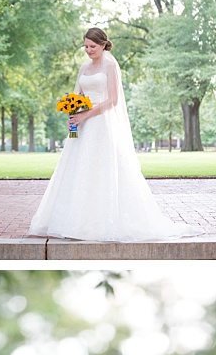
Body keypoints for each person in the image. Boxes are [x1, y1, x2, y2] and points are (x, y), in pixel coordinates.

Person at [28, 28, 191, 242]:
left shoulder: (111, 65)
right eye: (85, 46)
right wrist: (74, 113)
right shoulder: (84, 67)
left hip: (101, 123)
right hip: (83, 124)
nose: (88, 50)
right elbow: (78, 95)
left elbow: (112, 100)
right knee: (79, 168)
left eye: (92, 46)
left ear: (103, 44)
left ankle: (101, 222)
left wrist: (86, 115)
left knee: (101, 168)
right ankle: (75, 221)